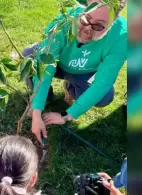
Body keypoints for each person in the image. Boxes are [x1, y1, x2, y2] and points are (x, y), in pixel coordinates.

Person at [24, 0, 127, 143]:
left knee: (105, 96)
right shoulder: (65, 20)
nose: (88, 29)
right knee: (28, 58)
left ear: (113, 22)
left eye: (98, 25)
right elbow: (45, 66)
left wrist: (67, 115)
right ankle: (45, 98)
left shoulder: (122, 36)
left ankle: (71, 88)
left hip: (84, 71)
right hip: (58, 63)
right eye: (86, 19)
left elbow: (103, 83)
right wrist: (37, 111)